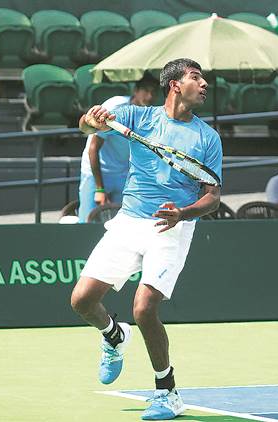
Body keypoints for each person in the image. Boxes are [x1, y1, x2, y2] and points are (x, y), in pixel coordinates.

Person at [69, 58, 222, 420]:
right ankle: (113, 336)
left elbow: (213, 196)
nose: (204, 85)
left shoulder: (207, 137)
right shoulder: (137, 117)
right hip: (129, 220)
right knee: (81, 300)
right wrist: (91, 120)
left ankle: (167, 391)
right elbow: (85, 128)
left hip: (171, 226)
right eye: (196, 78)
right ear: (174, 84)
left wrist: (182, 214)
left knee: (144, 309)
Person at [78, 78, 158, 223]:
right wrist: (100, 189)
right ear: (135, 91)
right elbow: (93, 149)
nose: (150, 97)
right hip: (96, 173)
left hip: (123, 175)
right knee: (86, 223)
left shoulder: (151, 115)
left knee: (121, 225)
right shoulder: (115, 106)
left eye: (153, 92)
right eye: (146, 91)